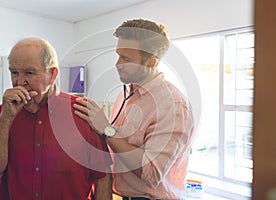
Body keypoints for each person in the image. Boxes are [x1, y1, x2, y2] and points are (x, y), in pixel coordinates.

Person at [0, 37, 112, 200]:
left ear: (52, 74)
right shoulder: (0, 115)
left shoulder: (83, 113)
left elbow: (102, 177)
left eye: (29, 73)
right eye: (14, 72)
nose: (19, 82)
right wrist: (5, 119)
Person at [73, 18, 195, 200]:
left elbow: (151, 173)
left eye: (126, 58)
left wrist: (106, 130)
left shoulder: (173, 105)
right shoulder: (126, 94)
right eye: (118, 55)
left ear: (151, 63)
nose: (117, 64)